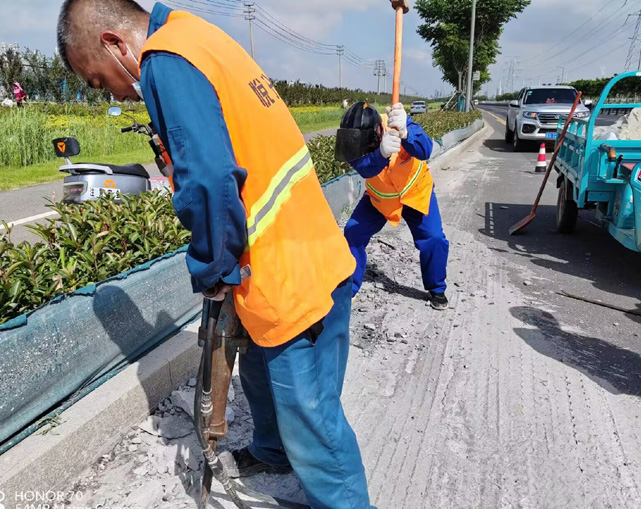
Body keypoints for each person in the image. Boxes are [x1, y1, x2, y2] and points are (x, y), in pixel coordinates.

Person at [56, 1, 371, 507]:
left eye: (99, 80)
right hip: (306, 249)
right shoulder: (196, 36)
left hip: (291, 272)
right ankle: (273, 451)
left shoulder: (166, 60)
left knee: (314, 420)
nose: (113, 94)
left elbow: (208, 180)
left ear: (114, 44)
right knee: (260, 367)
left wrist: (214, 268)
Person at [336, 101, 450, 309]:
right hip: (380, 199)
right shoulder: (354, 142)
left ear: (377, 131)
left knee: (433, 238)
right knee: (353, 232)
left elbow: (425, 149)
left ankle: (437, 288)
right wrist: (381, 153)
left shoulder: (398, 121)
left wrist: (406, 133)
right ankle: (349, 288)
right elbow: (365, 169)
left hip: (415, 194)